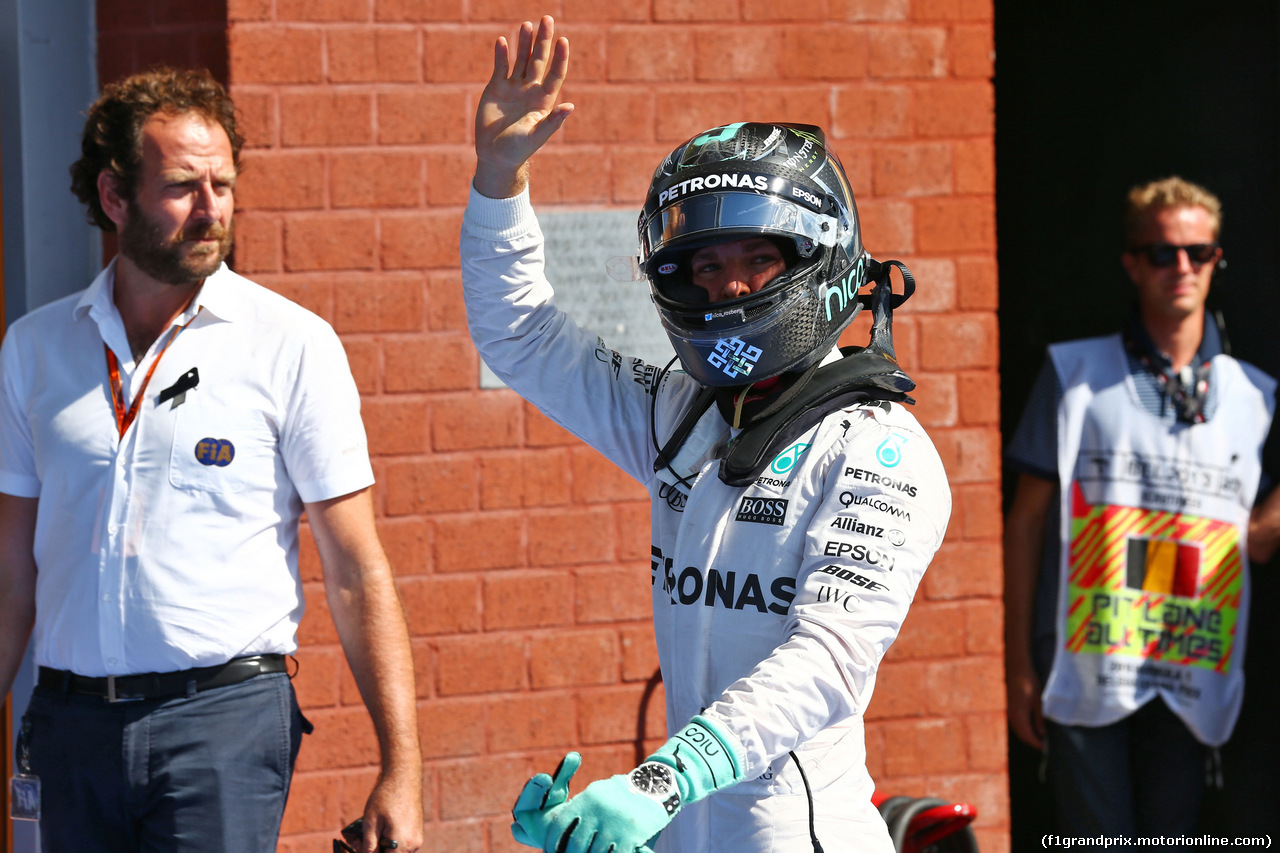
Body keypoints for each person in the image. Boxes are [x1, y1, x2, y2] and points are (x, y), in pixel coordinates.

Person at [461, 17, 951, 853]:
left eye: (755, 258)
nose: (726, 285)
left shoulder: (877, 449)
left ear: (815, 257)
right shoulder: (681, 409)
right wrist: (498, 180)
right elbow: (521, 335)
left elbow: (827, 660)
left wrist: (661, 779)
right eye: (703, 265)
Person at [0, 68, 423, 853]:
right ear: (115, 196)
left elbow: (356, 569)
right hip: (68, 730)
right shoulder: (34, 348)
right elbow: (10, 573)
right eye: (184, 186)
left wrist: (402, 766)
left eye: (223, 184)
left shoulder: (291, 344)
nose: (212, 209)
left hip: (220, 725)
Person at [1003, 176, 1279, 841]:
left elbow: (1257, 543)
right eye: (1162, 252)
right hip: (1085, 656)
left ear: (1217, 260)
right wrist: (1015, 664)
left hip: (1192, 666)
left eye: (1199, 252)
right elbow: (1025, 523)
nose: (1181, 267)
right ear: (1132, 263)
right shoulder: (1073, 373)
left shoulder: (1256, 397)